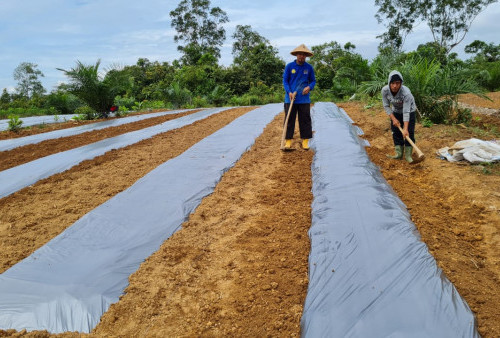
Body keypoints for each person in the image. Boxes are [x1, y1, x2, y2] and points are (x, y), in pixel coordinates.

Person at [282, 44, 316, 150]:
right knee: (289, 120)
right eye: (300, 54)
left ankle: (305, 141)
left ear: (306, 56)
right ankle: (288, 141)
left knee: (305, 120)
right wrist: (289, 92)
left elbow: (313, 81)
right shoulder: (289, 67)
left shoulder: (309, 68)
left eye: (304, 55)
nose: (301, 56)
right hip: (290, 98)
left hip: (304, 99)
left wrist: (309, 87)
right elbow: (285, 81)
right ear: (296, 55)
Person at [382, 70, 417, 163]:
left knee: (409, 132)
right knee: (396, 132)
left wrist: (405, 128)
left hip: (410, 111)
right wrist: (393, 119)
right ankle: (399, 154)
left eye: (397, 83)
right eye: (392, 83)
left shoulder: (406, 93)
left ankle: (408, 155)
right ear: (389, 83)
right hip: (396, 111)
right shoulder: (385, 91)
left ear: (401, 83)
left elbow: (406, 111)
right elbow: (386, 106)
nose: (395, 86)